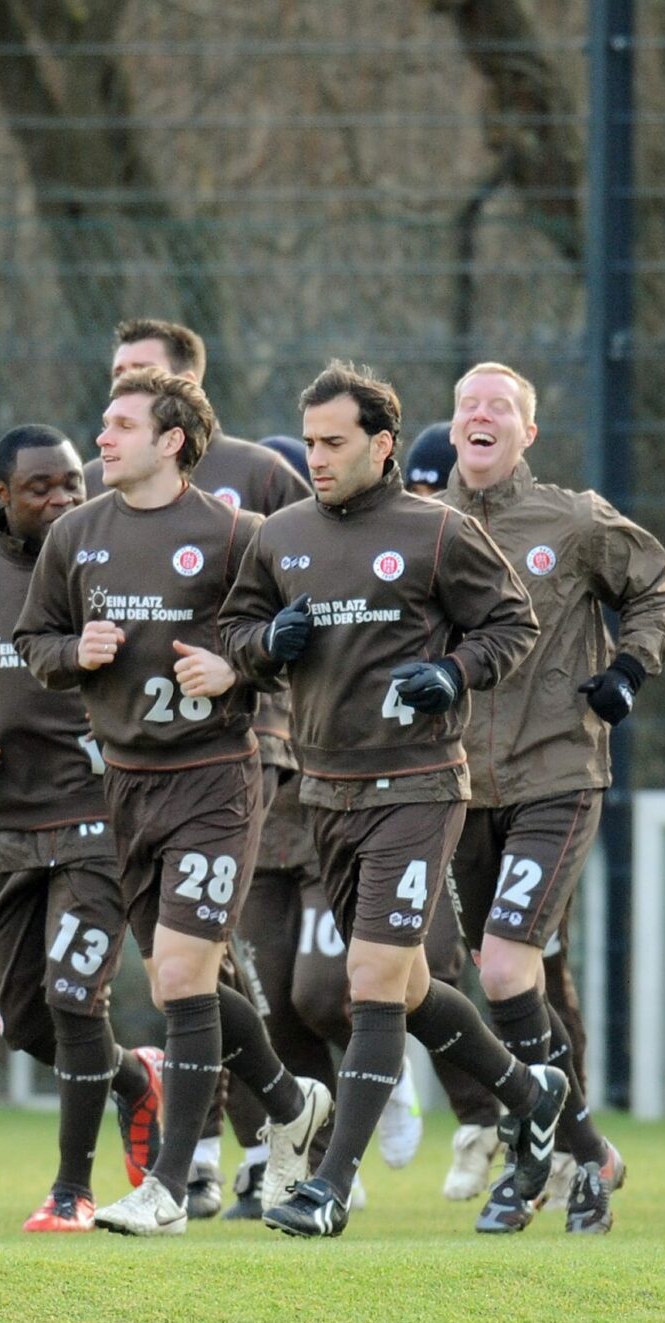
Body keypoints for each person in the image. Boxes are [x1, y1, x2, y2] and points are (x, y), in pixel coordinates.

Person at [222, 360, 568, 1239]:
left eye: (334, 443)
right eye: (310, 442)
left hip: (416, 789)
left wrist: (451, 672)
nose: (318, 457)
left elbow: (513, 625)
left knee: (370, 983)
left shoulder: (438, 532)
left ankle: (329, 1188)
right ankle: (531, 1097)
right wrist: (267, 639)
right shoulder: (281, 535)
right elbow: (233, 632)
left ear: (382, 444)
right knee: (408, 988)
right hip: (324, 797)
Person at [15, 367, 333, 1236]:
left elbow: (292, 635)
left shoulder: (238, 534)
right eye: (102, 423)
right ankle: (289, 1100)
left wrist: (240, 665)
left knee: (185, 977)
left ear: (173, 442)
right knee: (172, 976)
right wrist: (71, 650)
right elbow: (33, 641)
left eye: (120, 425)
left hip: (215, 777)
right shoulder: (74, 536)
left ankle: (166, 1187)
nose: (101, 440)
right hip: (125, 783)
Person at [439, 361, 665, 1232]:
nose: (481, 415)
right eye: (467, 404)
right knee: (521, 979)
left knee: (505, 965)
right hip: (457, 786)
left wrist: (626, 668)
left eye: (499, 406)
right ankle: (589, 1155)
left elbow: (659, 591)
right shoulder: (428, 528)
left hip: (558, 773)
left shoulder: (572, 519)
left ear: (526, 433)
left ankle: (535, 1150)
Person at [0, 425, 164, 1230]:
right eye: (41, 488)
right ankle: (133, 1081)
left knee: (74, 995)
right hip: (10, 831)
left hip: (99, 819)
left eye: (72, 486)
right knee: (25, 1021)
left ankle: (71, 1190)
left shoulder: (117, 560)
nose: (60, 501)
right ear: (2, 495)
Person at [82, 318, 310, 514]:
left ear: (187, 382)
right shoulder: (92, 480)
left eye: (144, 369)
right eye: (118, 372)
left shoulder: (260, 472)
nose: (127, 380)